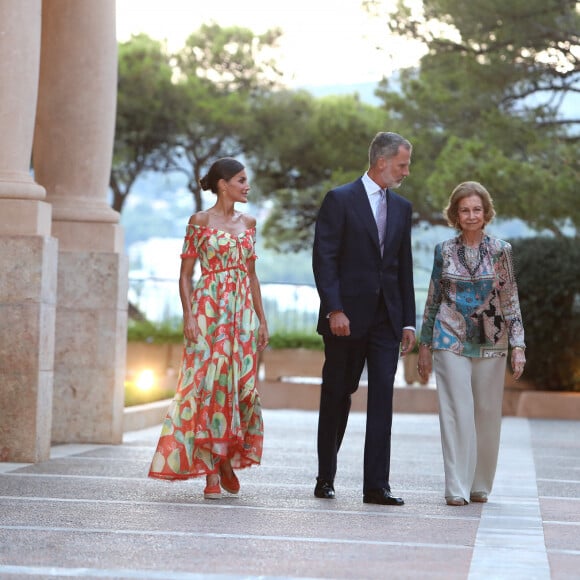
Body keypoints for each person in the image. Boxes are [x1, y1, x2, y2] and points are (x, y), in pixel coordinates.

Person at [148, 157, 269, 499]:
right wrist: (188, 316)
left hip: (241, 315)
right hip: (207, 311)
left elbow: (251, 275)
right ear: (223, 184)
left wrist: (262, 319)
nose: (247, 186)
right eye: (242, 180)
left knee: (237, 389)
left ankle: (224, 460)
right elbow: (185, 276)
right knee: (206, 387)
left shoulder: (250, 222)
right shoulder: (198, 222)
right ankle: (214, 472)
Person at [312, 131, 416, 505]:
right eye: (402, 165)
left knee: (383, 402)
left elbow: (403, 267)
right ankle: (325, 477)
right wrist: (334, 309)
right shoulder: (339, 199)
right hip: (346, 320)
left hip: (387, 321)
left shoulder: (402, 208)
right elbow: (324, 259)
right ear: (382, 162)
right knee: (337, 396)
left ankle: (377, 486)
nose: (406, 172)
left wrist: (408, 321)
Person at [417, 181, 526, 506]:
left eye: (477, 209)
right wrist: (424, 343)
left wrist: (519, 345)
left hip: (492, 340)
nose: (471, 215)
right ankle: (456, 486)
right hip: (448, 337)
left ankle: (480, 484)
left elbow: (510, 298)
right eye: (464, 210)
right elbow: (433, 298)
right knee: (455, 410)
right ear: (455, 214)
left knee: (487, 411)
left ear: (486, 212)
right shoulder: (444, 250)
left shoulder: (501, 251)